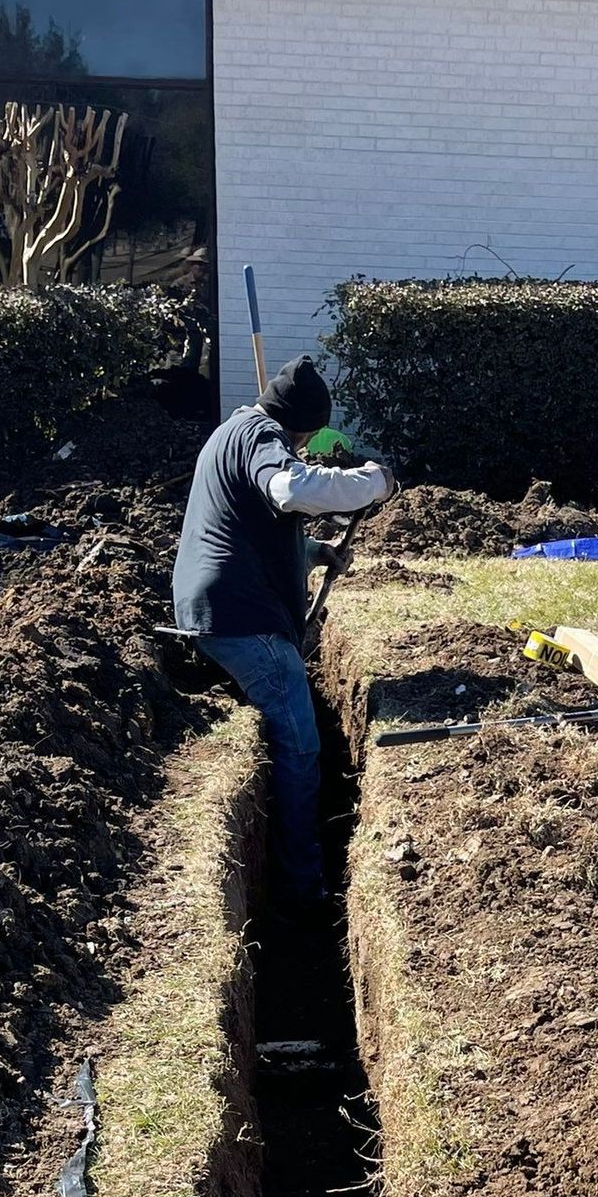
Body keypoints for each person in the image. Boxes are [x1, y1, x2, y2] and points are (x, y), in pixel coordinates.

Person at [171, 354, 393, 913]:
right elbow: (288, 491)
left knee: (297, 735)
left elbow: (250, 528)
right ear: (307, 426)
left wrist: (315, 553)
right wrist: (373, 482)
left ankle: (298, 874)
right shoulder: (261, 438)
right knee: (300, 746)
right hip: (241, 619)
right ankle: (303, 890)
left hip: (223, 606)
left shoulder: (233, 432)